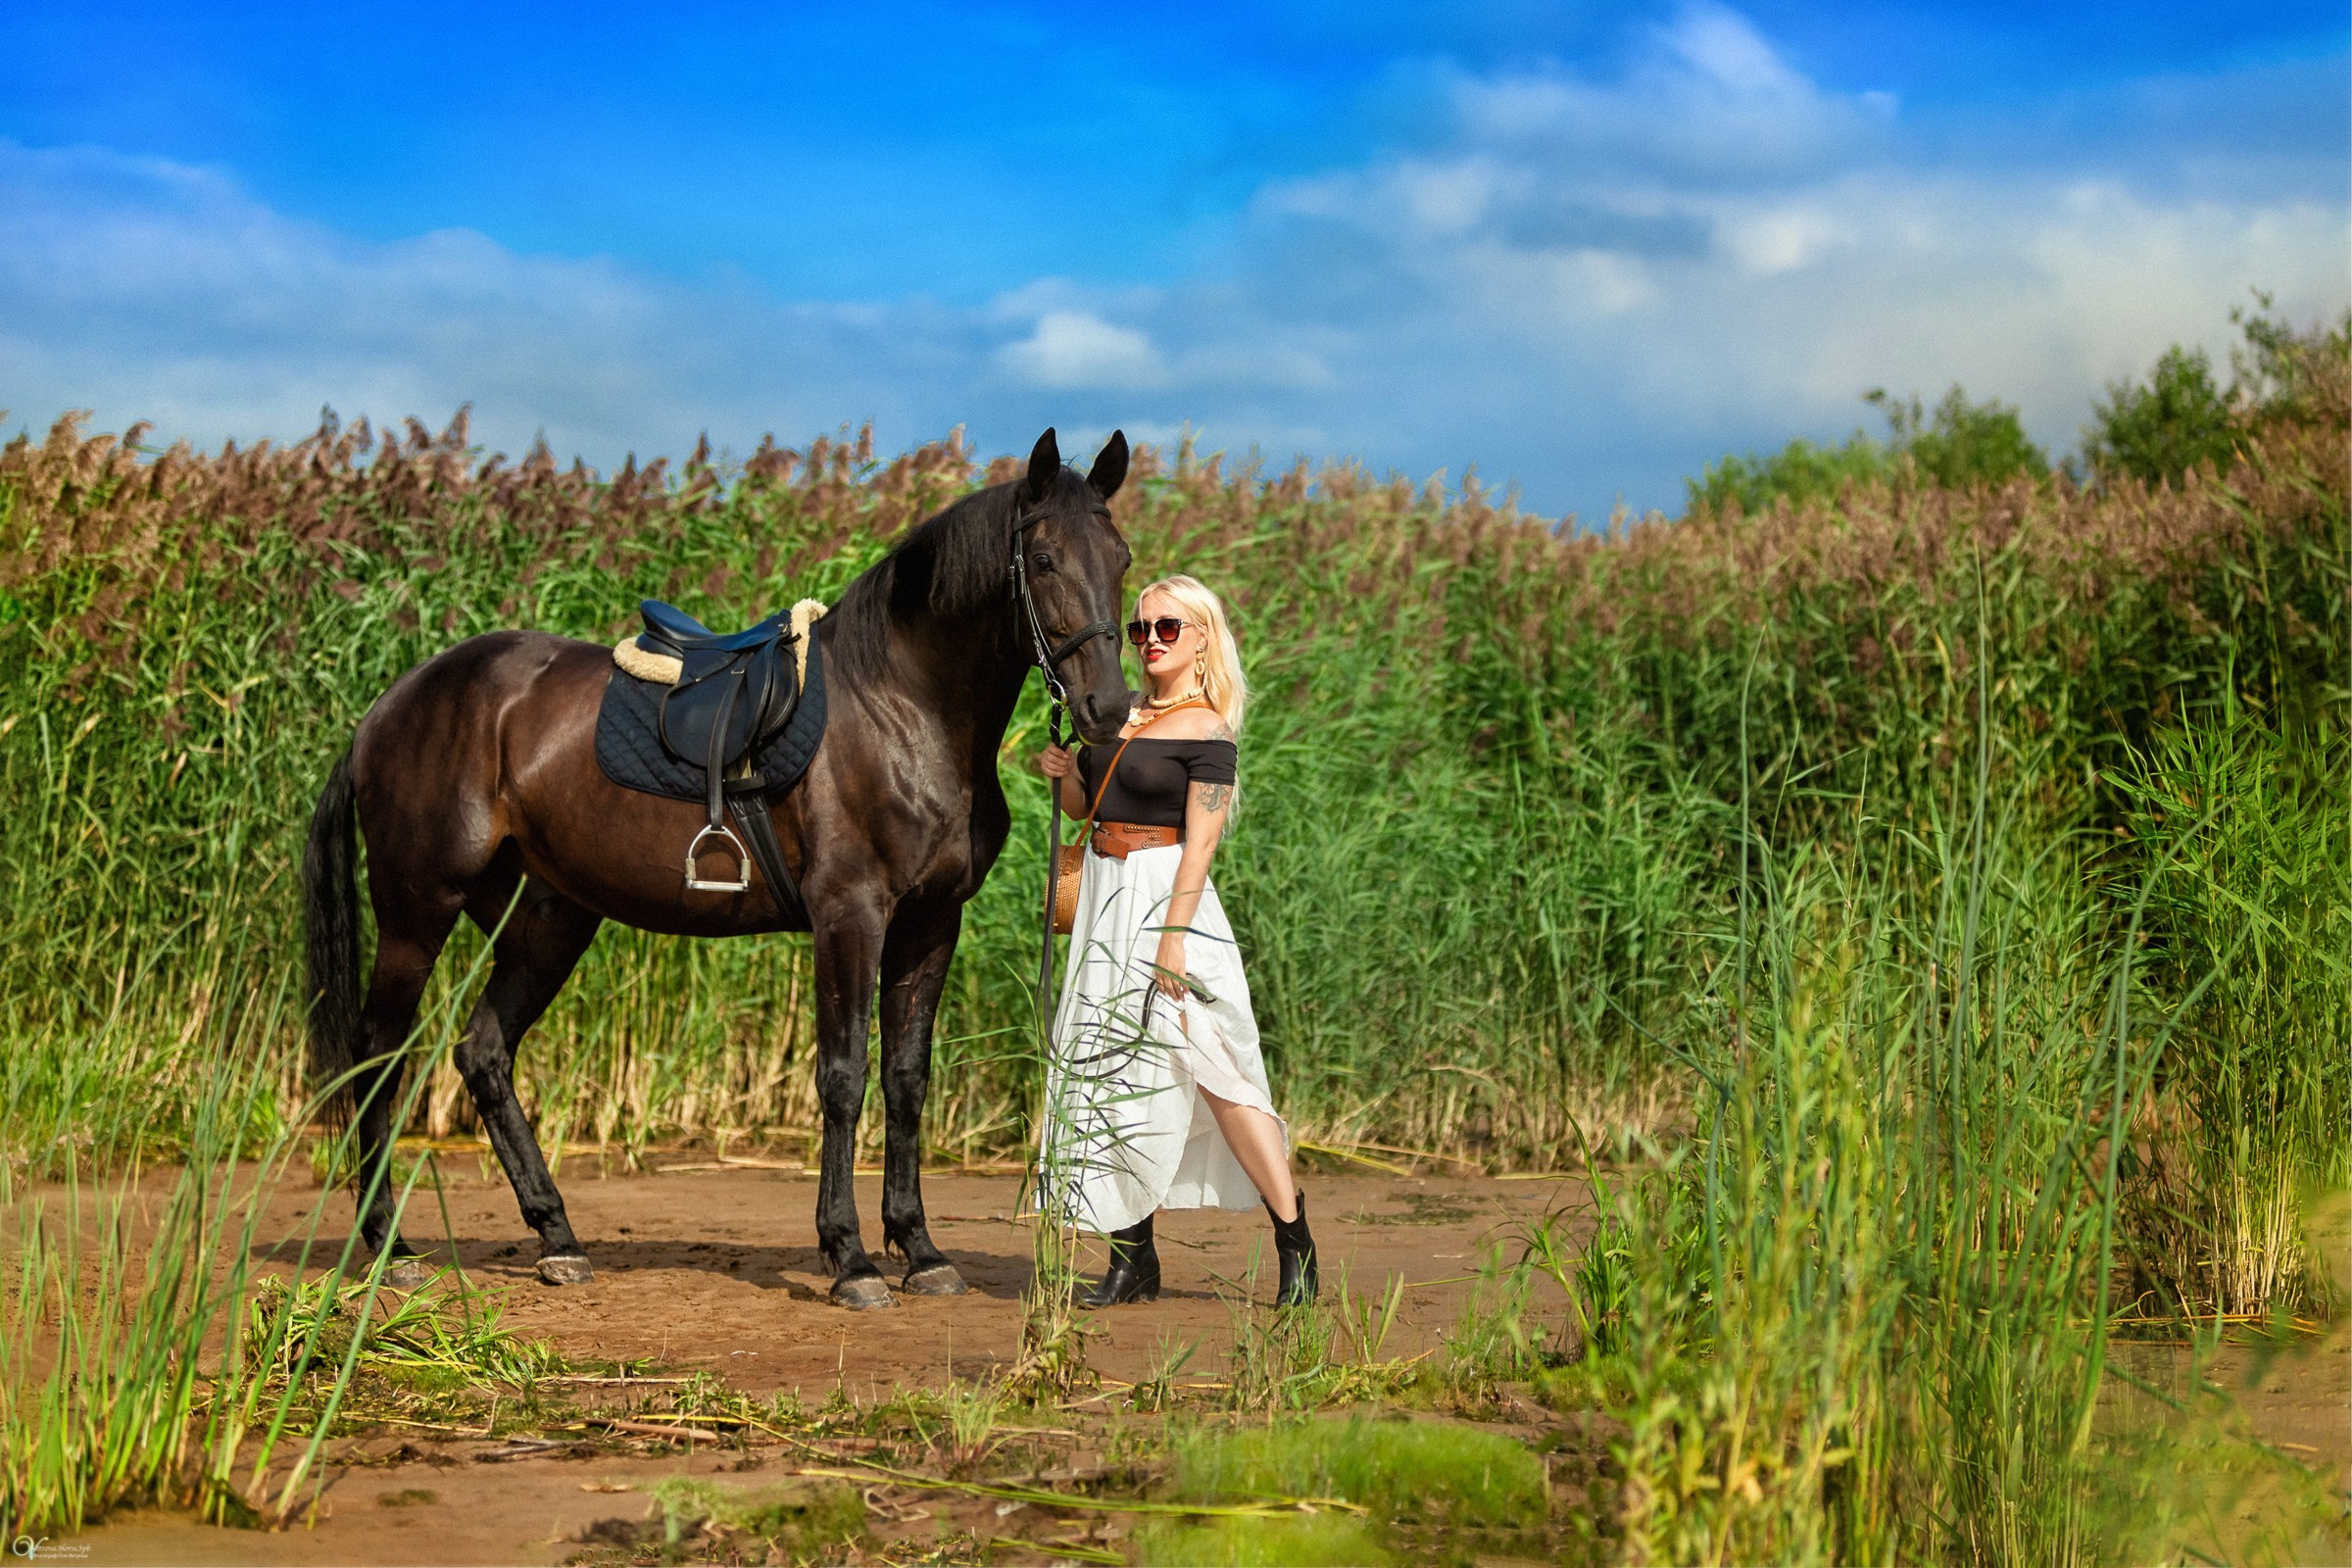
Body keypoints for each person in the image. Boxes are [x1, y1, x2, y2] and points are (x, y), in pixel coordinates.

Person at [1036, 573, 1317, 1307]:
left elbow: (1202, 845)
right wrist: (1063, 773)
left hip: (1167, 898)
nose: (1150, 640)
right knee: (1108, 1072)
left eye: (1167, 628)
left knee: (1218, 1068)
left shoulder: (1208, 730)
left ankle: (1294, 1238)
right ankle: (1133, 1260)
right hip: (1104, 894)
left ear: (1202, 639)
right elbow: (1085, 808)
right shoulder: (1115, 712)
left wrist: (1173, 936)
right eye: (1140, 629)